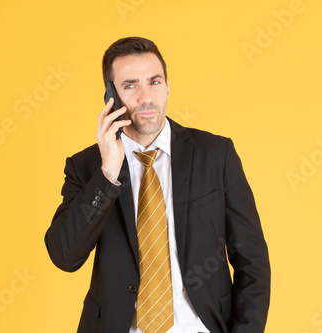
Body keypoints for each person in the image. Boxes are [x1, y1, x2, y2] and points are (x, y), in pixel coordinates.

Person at [45, 36, 270, 333]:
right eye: (130, 85)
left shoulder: (215, 155)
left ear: (167, 86)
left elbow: (252, 261)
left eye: (154, 82)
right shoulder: (88, 167)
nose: (146, 97)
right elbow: (64, 256)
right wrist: (108, 172)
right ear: (110, 96)